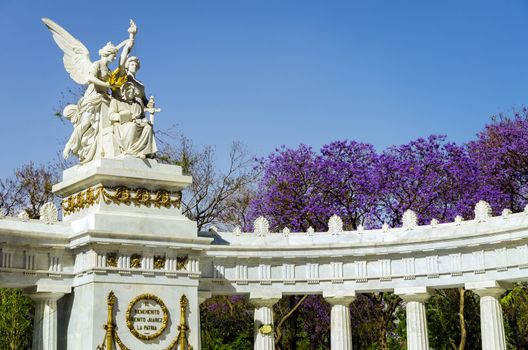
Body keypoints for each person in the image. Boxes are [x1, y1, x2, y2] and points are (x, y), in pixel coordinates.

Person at [108, 82, 157, 158]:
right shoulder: (116, 101)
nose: (131, 93)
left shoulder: (137, 103)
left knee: (148, 127)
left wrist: (144, 120)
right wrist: (124, 116)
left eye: (132, 91)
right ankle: (130, 151)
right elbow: (111, 116)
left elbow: (142, 116)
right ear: (124, 91)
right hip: (122, 125)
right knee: (133, 126)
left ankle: (144, 151)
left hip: (138, 123)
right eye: (129, 91)